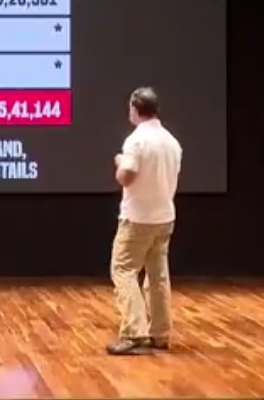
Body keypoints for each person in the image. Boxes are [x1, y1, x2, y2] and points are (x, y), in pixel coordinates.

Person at [106, 87, 182, 356]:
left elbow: (127, 176)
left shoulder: (136, 141)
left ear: (135, 109)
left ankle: (133, 332)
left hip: (138, 218)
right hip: (165, 217)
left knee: (123, 270)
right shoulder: (171, 141)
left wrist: (119, 163)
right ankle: (160, 333)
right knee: (157, 275)